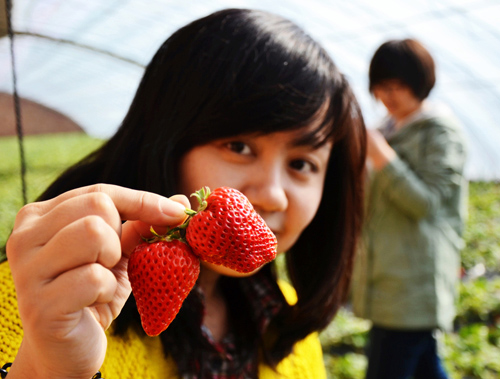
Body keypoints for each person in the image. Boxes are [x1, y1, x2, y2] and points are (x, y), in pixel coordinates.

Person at [0, 8, 367, 378]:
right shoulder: (43, 301)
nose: (273, 195)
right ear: (165, 139)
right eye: (238, 146)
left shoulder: (288, 324)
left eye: (302, 164)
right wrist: (45, 367)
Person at [351, 38, 468, 379]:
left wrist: (381, 156)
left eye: (398, 86)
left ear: (420, 84)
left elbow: (425, 203)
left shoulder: (440, 134)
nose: (388, 95)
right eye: (381, 86)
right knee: (424, 368)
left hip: (414, 282)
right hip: (388, 278)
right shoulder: (387, 130)